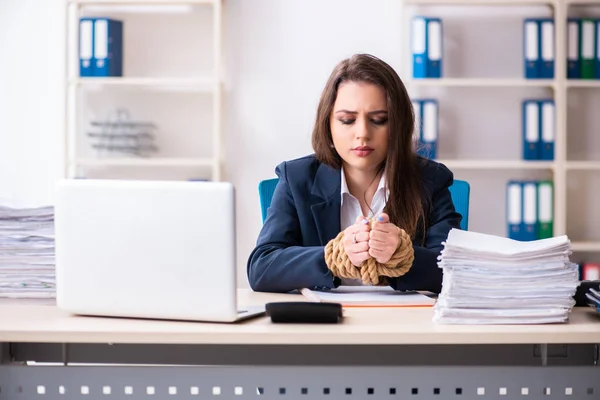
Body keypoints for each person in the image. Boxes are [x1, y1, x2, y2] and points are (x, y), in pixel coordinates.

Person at [247, 53, 462, 294]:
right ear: (327, 123)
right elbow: (261, 267)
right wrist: (334, 256)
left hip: (404, 324)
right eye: (347, 120)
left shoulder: (430, 180)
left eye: (379, 120)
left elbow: (455, 270)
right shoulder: (297, 178)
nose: (362, 133)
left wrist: (403, 256)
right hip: (325, 326)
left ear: (398, 125)